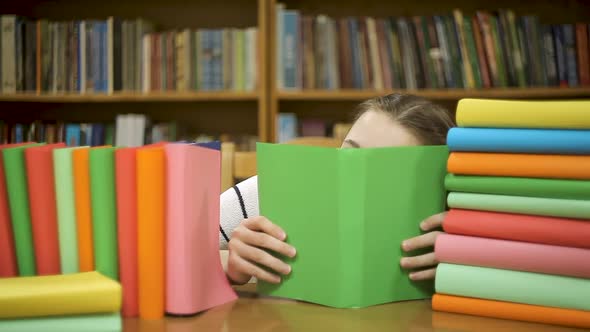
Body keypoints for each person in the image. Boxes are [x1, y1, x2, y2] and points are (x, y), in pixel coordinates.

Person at [219, 93, 455, 285]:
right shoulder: (272, 191)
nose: (355, 177)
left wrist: (463, 259)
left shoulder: (449, 230)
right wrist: (229, 265)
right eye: (350, 152)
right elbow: (183, 255)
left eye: (383, 170)